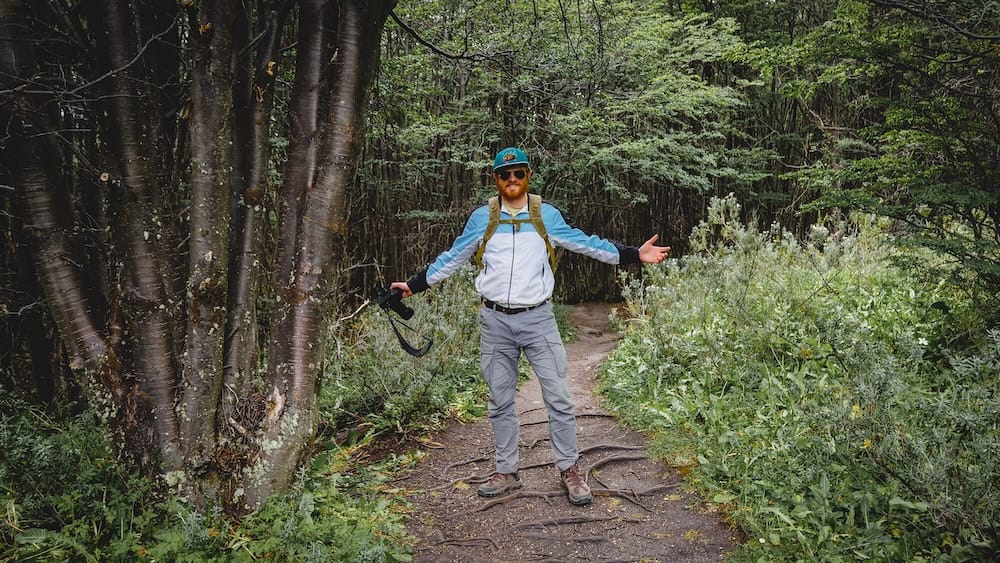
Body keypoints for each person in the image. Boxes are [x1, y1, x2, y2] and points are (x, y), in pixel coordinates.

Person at [391, 147, 670, 505]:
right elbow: (453, 257)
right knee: (500, 398)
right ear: (495, 179)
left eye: (518, 173)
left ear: (527, 176)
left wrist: (634, 254)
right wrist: (414, 285)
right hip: (494, 321)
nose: (512, 180)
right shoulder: (482, 218)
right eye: (505, 174)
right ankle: (506, 471)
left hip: (538, 319)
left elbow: (587, 244)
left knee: (558, 397)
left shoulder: (545, 216)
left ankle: (569, 470)